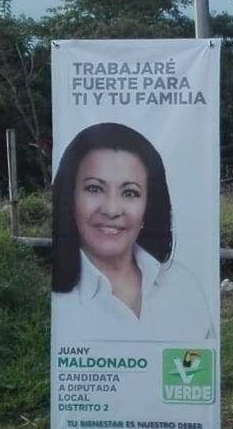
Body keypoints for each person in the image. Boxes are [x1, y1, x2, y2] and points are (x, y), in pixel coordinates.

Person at [52, 122, 213, 341]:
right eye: (94, 189)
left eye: (129, 193)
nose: (111, 210)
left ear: (150, 204)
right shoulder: (59, 302)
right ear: (69, 197)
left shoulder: (183, 286)